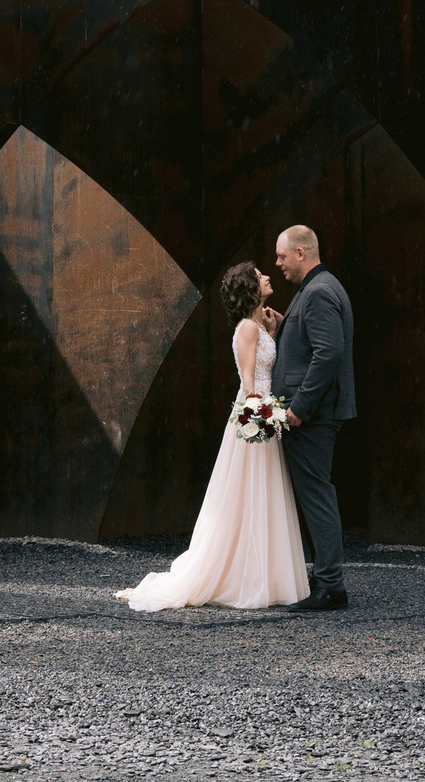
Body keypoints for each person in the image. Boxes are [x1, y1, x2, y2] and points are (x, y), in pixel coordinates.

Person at [114, 260, 310, 611]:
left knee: (259, 496)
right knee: (250, 495)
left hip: (261, 414)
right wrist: (262, 422)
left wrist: (275, 333)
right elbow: (251, 384)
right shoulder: (247, 331)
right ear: (251, 289)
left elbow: (266, 368)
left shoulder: (256, 327)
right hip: (255, 420)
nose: (267, 276)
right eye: (259, 276)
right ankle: (248, 577)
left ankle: (260, 574)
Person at [271, 223, 355, 612]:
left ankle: (331, 585)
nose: (278, 264)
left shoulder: (319, 291)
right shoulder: (317, 288)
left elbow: (328, 355)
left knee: (317, 493)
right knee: (312, 492)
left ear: (301, 254)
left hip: (313, 416)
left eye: (282, 256)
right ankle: (323, 577)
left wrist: (299, 410)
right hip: (315, 414)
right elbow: (313, 348)